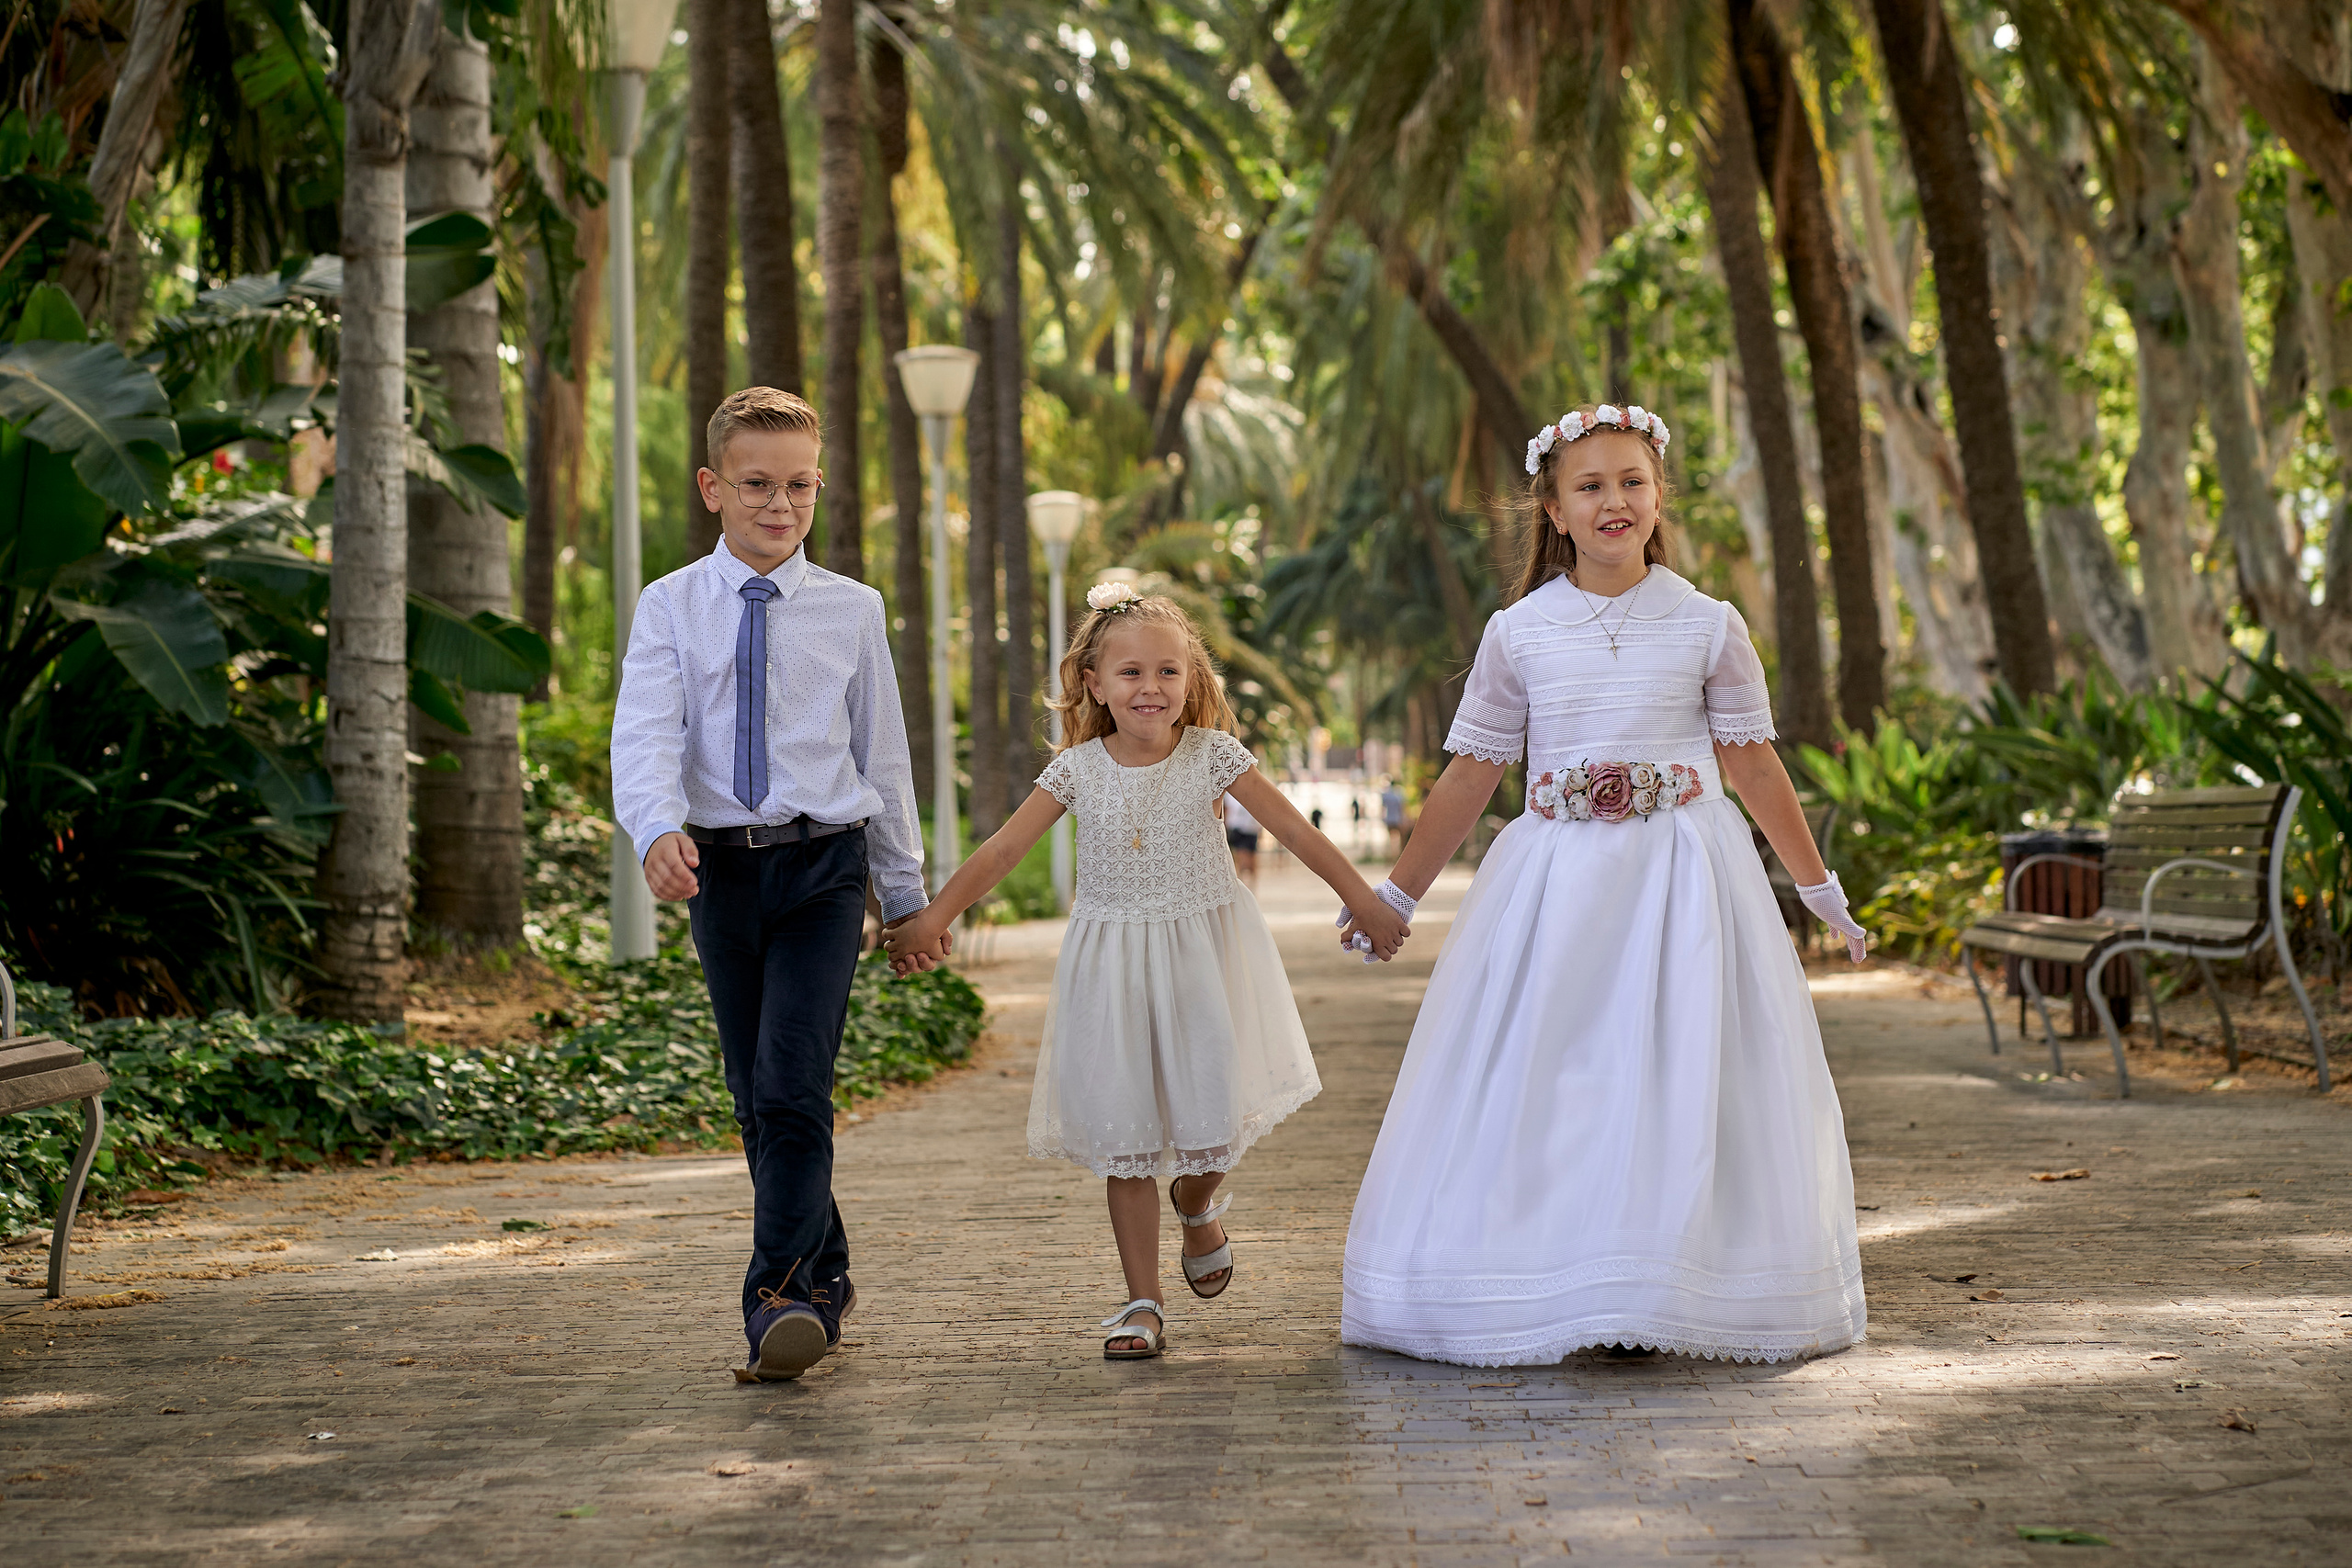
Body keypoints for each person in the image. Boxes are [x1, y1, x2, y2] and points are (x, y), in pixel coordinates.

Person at [1337, 402, 1871, 1368]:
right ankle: (1556, 1275)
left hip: (1684, 885)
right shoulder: (1520, 632)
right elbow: (1471, 770)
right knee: (1562, 1072)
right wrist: (1398, 895)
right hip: (1559, 888)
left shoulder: (1707, 624)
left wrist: (1817, 886)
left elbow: (1751, 765)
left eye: (1631, 481)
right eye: (1590, 486)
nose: (1613, 501)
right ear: (1552, 509)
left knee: (1675, 1069)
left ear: (1659, 496)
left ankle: (1661, 1280)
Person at [886, 585, 1409, 1359]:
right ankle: (1142, 1300)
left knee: (1217, 1120)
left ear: (1191, 680)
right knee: (1125, 1134)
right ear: (1093, 682)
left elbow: (1295, 831)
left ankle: (1197, 1204)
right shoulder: (1076, 771)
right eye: (1130, 673)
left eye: (1169, 671)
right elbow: (1001, 849)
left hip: (1206, 955)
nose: (1151, 688)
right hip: (1114, 963)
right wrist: (936, 915)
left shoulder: (1212, 756)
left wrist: (1365, 899)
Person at [611, 387, 927, 1383]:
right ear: (713, 487)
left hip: (825, 867)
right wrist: (656, 827)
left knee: (793, 1085)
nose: (778, 504)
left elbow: (885, 759)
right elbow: (647, 729)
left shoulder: (852, 610)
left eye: (797, 485)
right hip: (720, 870)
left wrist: (904, 891)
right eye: (755, 484)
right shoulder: (670, 606)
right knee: (757, 1099)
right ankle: (827, 1273)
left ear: (817, 486)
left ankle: (779, 1296)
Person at [1225, 787, 1261, 884]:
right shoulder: (1230, 795)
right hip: (1238, 828)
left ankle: (1251, 886)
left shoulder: (1254, 792)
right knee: (1241, 859)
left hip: (1251, 828)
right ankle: (1241, 884)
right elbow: (1227, 810)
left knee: (1252, 861)